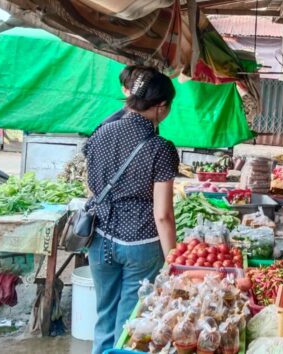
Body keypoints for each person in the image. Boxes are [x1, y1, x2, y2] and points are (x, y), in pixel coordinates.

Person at [85, 68, 179, 354]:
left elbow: (90, 187)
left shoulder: (100, 131)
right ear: (160, 106)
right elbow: (163, 214)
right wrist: (172, 260)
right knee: (130, 324)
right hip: (140, 246)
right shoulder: (160, 147)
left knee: (104, 316)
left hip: (99, 240)